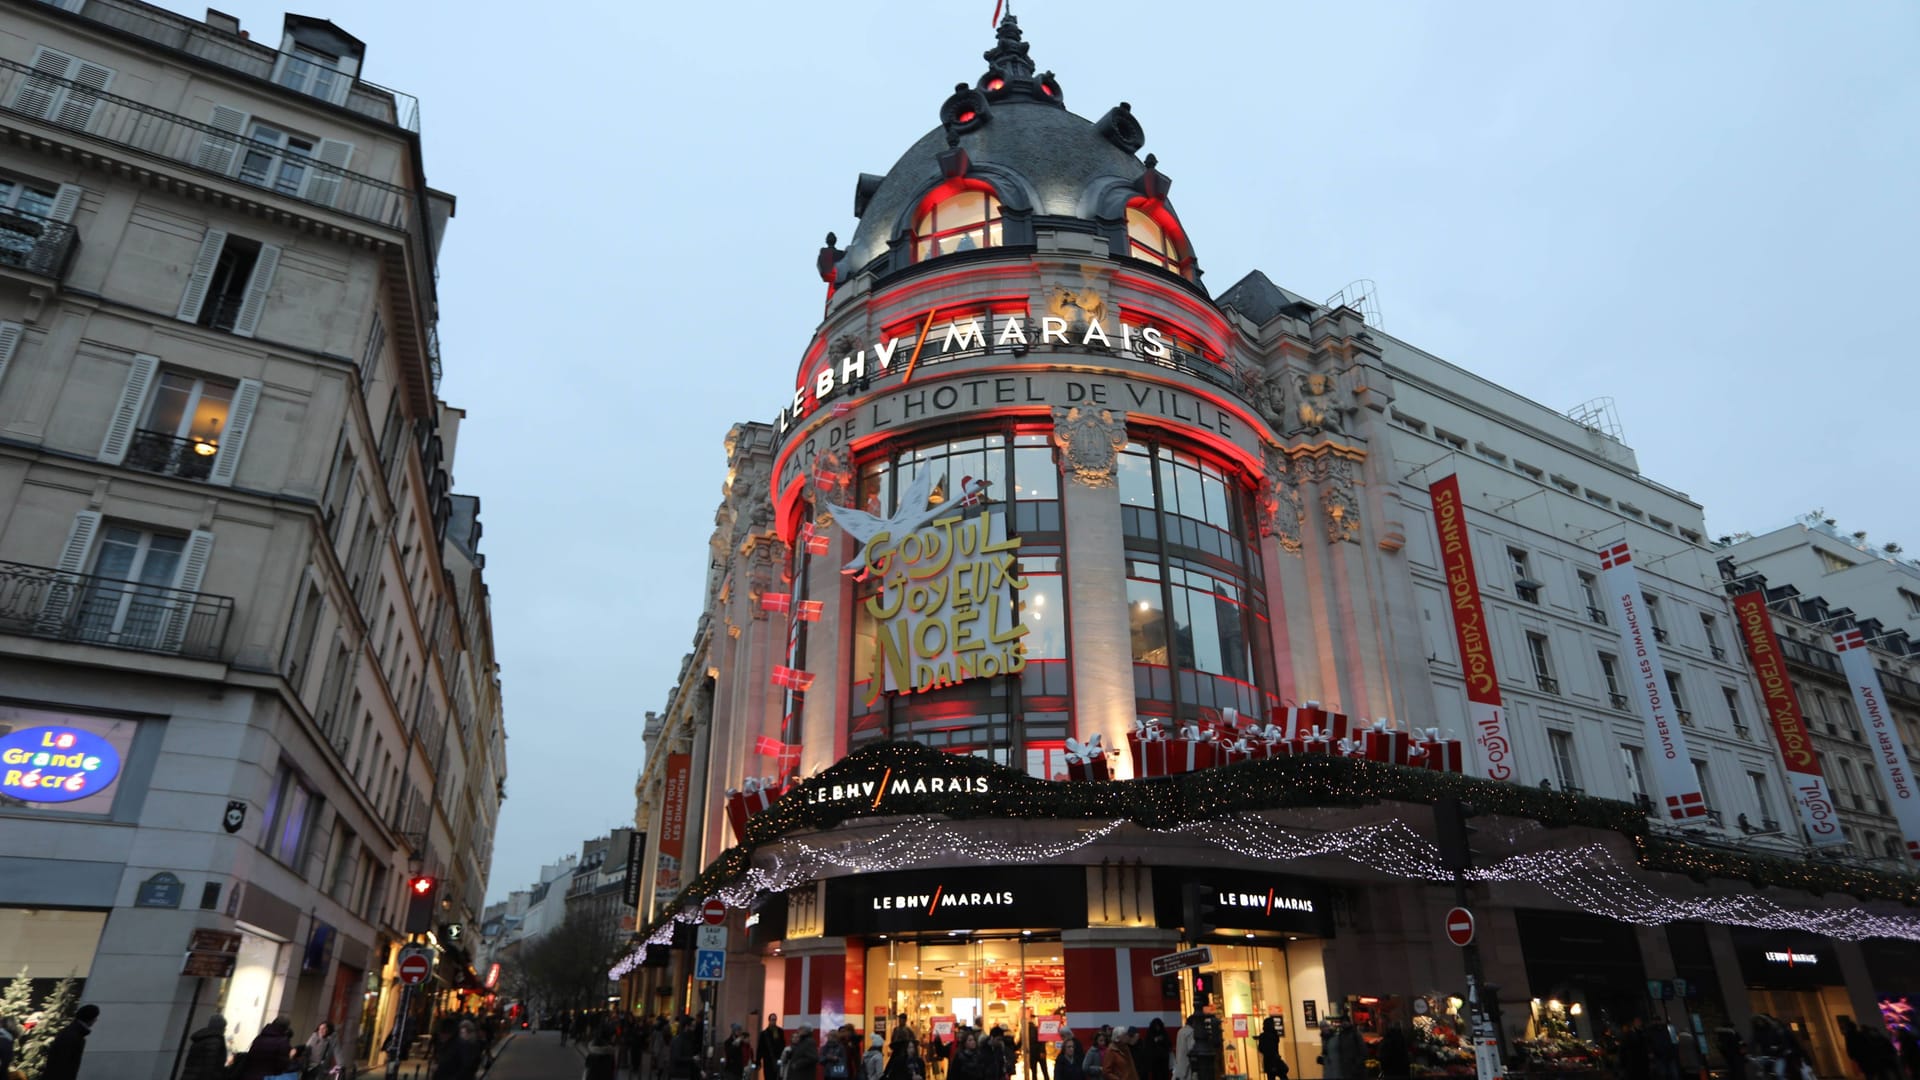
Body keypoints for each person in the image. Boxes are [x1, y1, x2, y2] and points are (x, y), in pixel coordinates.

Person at [237, 1015, 295, 1080]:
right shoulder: (282, 1042)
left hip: (248, 1075)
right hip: (267, 1077)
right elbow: (282, 1065)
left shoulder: (259, 1038)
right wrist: (290, 1056)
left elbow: (250, 1056)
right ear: (285, 1028)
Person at [763, 1016, 790, 1080]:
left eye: (775, 1020)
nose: (774, 1021)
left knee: (778, 1076)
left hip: (778, 1057)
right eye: (772, 1020)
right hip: (768, 1059)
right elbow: (761, 1048)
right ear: (769, 1020)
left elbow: (783, 1043)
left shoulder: (780, 1031)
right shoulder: (764, 1033)